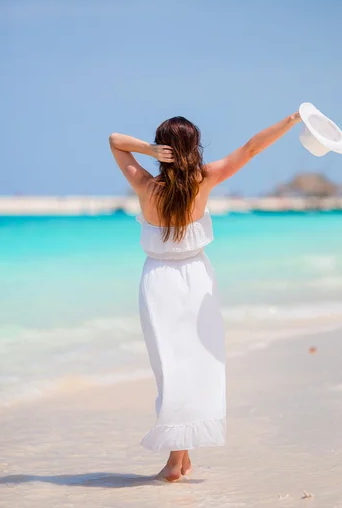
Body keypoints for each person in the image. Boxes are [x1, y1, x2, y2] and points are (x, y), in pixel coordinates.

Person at [109, 112, 302, 482]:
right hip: (197, 278)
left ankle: (176, 460)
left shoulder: (146, 186)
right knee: (194, 368)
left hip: (158, 281)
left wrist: (149, 149)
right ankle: (179, 458)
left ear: (163, 149)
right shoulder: (206, 179)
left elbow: (115, 140)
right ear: (194, 147)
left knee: (171, 370)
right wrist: (291, 120)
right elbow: (252, 148)